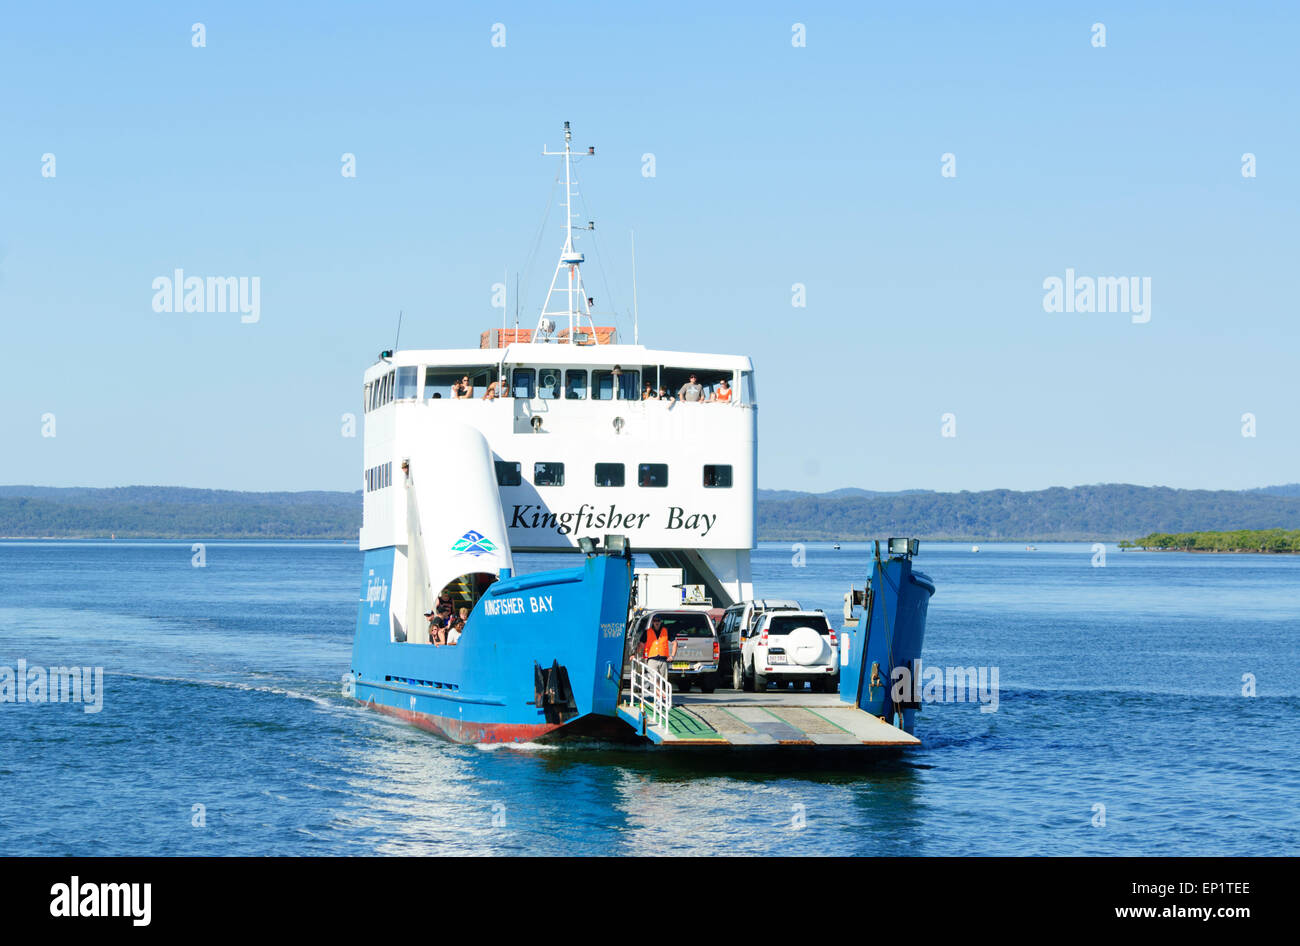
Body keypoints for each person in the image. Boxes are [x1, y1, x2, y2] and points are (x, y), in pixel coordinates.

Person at [642, 614, 676, 679]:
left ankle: (660, 689)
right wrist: (634, 654)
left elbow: (675, 643)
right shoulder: (647, 632)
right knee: (653, 679)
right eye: (655, 621)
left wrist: (672, 656)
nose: (656, 622)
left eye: (658, 620)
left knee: (663, 681)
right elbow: (641, 644)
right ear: (652, 622)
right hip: (652, 659)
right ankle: (658, 689)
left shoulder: (666, 631)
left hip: (663, 660)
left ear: (660, 622)